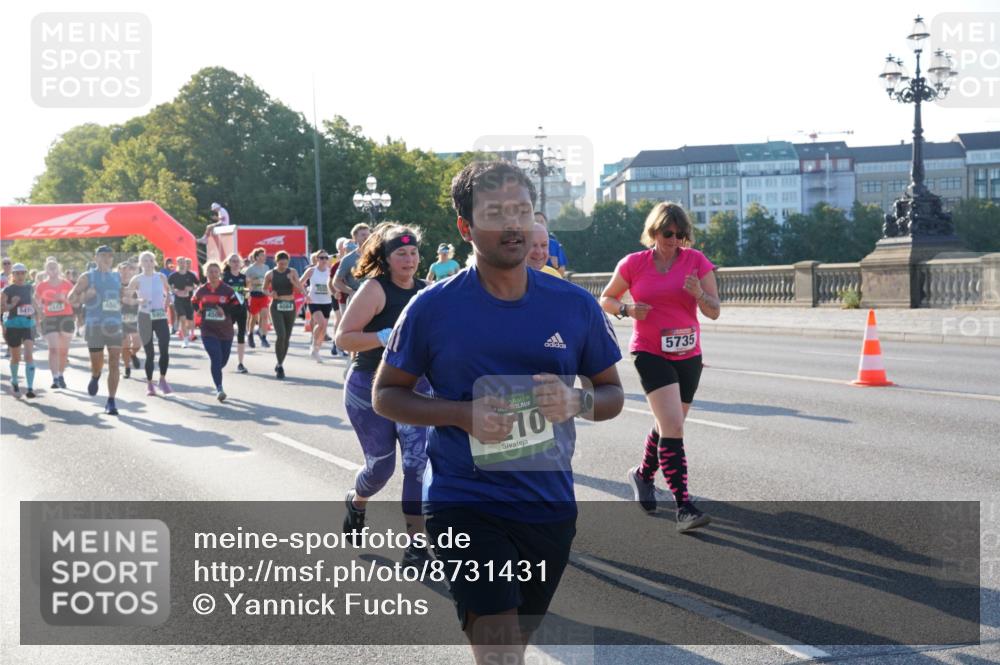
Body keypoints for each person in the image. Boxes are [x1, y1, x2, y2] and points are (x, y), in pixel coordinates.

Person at [372, 161, 624, 661]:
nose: (513, 224)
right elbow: (386, 395)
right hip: (464, 500)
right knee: (500, 648)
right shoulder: (431, 308)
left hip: (547, 503)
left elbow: (612, 395)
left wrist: (577, 401)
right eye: (495, 213)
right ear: (466, 227)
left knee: (515, 645)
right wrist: (462, 415)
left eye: (522, 211)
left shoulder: (573, 306)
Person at [599, 201, 721, 533]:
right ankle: (684, 507)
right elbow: (605, 299)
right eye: (669, 233)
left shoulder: (696, 261)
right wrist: (626, 310)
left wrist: (699, 295)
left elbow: (714, 311)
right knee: (674, 426)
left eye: (682, 234)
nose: (675, 239)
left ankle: (642, 474)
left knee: (670, 423)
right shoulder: (634, 263)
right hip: (650, 351)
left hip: (688, 354)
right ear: (654, 231)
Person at [335, 223, 431, 566]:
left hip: (415, 390)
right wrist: (381, 337)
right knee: (381, 469)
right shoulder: (375, 290)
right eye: (400, 253)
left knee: (417, 465)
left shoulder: (426, 291)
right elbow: (344, 338)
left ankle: (416, 544)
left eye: (413, 252)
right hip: (368, 388)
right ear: (387, 259)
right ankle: (358, 500)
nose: (408, 259)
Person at [68, 246, 123, 415]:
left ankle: (111, 401)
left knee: (114, 360)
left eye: (109, 256)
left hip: (114, 324)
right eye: (103, 255)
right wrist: (85, 297)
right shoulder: (87, 277)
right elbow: (71, 299)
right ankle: (95, 375)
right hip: (95, 325)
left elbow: (120, 297)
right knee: (97, 362)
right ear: (96, 258)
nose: (106, 259)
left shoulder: (116, 276)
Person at [193, 261, 240, 401]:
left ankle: (216, 371)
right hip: (208, 329)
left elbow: (237, 306)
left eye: (215, 272)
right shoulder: (202, 290)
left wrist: (224, 311)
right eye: (210, 272)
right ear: (206, 273)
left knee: (222, 361)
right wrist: (199, 311)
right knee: (216, 357)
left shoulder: (227, 290)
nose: (213, 274)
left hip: (225, 331)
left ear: (219, 273)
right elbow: (194, 301)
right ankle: (219, 388)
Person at [128, 251, 173, 396]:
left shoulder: (161, 276)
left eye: (150, 260)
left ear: (154, 262)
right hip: (144, 316)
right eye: (145, 261)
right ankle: (149, 384)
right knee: (150, 353)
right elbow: (126, 298)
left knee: (164, 348)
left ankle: (162, 380)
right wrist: (137, 301)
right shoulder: (137, 279)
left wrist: (168, 299)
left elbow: (168, 290)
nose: (148, 263)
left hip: (160, 315)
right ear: (140, 264)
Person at [262, 251, 305, 379]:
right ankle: (280, 365)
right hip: (276, 306)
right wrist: (270, 294)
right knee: (281, 335)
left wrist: (292, 280)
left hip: (290, 305)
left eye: (286, 264)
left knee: (287, 337)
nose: (283, 266)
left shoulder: (292, 272)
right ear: (276, 262)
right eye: (281, 264)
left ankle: (280, 362)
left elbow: (300, 289)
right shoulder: (270, 274)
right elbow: (264, 289)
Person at [35, 258, 75, 389]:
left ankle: (61, 375)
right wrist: (40, 310)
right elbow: (37, 301)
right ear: (46, 270)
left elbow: (76, 301)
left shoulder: (67, 284)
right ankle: (55, 378)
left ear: (59, 268)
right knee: (53, 349)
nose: (52, 269)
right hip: (50, 319)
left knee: (63, 352)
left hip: (66, 318)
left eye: (54, 267)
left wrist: (64, 299)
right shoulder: (41, 286)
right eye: (50, 267)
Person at [2, 263, 38, 397]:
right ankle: (15, 381)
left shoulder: (29, 288)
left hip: (28, 325)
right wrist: (13, 304)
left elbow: (33, 302)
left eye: (23, 273)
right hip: (13, 325)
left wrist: (40, 312)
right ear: (13, 275)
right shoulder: (7, 290)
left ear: (26, 274)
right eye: (17, 273)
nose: (20, 275)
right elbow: (2, 308)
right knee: (16, 357)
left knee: (29, 355)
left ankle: (30, 388)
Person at [300, 249, 334, 362]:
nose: (324, 260)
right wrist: (306, 295)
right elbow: (300, 283)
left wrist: (336, 292)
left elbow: (334, 285)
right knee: (321, 323)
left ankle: (316, 351)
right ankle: (314, 345)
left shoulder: (330, 271)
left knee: (324, 328)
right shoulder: (311, 270)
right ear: (317, 259)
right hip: (314, 301)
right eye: (321, 258)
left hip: (327, 302)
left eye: (326, 258)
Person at [221, 254, 249, 373]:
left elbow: (247, 291)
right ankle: (221, 359)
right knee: (226, 335)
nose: (235, 263)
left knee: (241, 335)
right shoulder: (225, 277)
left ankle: (241, 363)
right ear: (228, 263)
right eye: (233, 261)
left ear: (241, 263)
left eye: (237, 261)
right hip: (229, 310)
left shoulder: (244, 277)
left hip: (241, 309)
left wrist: (247, 295)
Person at [333, 223, 372, 304]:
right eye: (363, 235)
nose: (366, 237)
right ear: (355, 238)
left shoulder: (377, 256)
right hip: (357, 300)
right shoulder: (348, 259)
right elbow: (336, 282)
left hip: (375, 298)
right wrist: (350, 292)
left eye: (368, 234)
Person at [168, 257, 199, 348]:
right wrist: (174, 290)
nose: (182, 264)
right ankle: (185, 340)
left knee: (189, 321)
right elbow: (168, 286)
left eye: (183, 262)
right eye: (180, 262)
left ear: (186, 264)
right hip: (178, 300)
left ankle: (188, 333)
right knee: (182, 318)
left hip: (189, 300)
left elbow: (198, 284)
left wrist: (191, 288)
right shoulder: (173, 275)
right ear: (177, 263)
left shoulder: (190, 275)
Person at [118, 262, 142, 379]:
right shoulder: (115, 284)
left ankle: (133, 354)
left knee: (137, 344)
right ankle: (127, 368)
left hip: (135, 316)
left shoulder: (136, 283)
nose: (125, 272)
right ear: (119, 271)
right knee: (125, 345)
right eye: (122, 270)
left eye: (127, 270)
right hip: (120, 316)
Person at [245, 247, 271, 349]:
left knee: (264, 316)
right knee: (254, 317)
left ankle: (263, 337)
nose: (264, 257)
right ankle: (250, 334)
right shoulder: (250, 269)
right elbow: (246, 283)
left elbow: (269, 280)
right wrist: (253, 282)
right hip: (254, 295)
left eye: (264, 255)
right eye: (262, 255)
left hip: (263, 294)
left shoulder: (266, 268)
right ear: (256, 257)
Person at [535, 212, 567, 276]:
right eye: (536, 221)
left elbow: (562, 273)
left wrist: (556, 266)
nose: (539, 224)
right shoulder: (524, 244)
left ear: (546, 224)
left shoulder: (555, 245)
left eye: (541, 221)